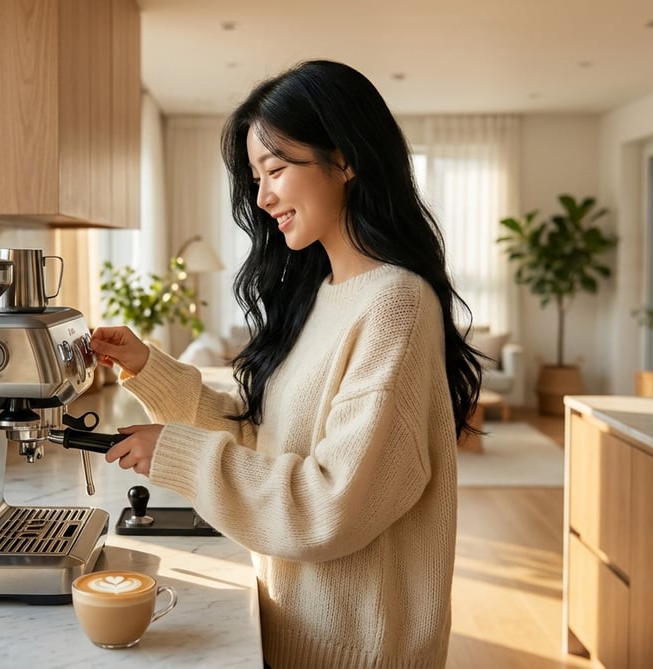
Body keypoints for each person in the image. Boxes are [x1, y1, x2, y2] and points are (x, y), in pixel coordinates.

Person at [88, 59, 483, 669]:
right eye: (255, 176)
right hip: (299, 628)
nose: (263, 195)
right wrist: (151, 369)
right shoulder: (323, 292)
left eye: (276, 169)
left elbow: (331, 509)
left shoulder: (395, 305)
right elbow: (266, 443)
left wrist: (177, 452)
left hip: (360, 649)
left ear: (345, 159)